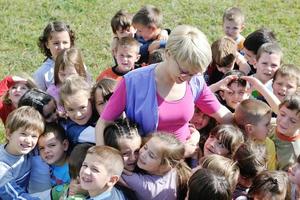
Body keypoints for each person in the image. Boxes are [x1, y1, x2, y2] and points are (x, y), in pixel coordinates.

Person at [96, 25, 233, 145]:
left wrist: (247, 121)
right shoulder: (133, 82)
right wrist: (103, 161)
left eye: (194, 73)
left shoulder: (195, 81)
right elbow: (103, 123)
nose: (188, 79)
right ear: (168, 54)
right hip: (145, 163)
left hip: (183, 160)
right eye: (185, 71)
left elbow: (222, 114)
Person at [121, 133, 191, 200]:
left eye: (151, 155)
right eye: (145, 147)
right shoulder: (176, 168)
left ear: (165, 166)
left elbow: (114, 170)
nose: (143, 154)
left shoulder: (146, 186)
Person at [0, 106, 45, 199]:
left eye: (34, 136)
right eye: (23, 134)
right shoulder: (2, 165)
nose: (28, 140)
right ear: (9, 134)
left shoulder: (30, 149)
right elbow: (14, 196)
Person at [234, 99, 276, 170]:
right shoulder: (234, 143)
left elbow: (270, 172)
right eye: (266, 124)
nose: (270, 127)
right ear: (250, 129)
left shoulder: (269, 145)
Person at [34, 21, 75, 91]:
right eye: (56, 43)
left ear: (71, 43)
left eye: (65, 42)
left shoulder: (77, 65)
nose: (61, 47)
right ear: (47, 44)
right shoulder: (42, 73)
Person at [47, 48, 88, 113]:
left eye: (71, 75)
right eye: (62, 74)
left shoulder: (86, 87)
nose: (67, 79)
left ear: (80, 72)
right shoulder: (52, 92)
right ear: (56, 72)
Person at [60, 75, 97, 145]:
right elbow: (105, 136)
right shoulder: (71, 128)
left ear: (91, 101)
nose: (78, 114)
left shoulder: (97, 112)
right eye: (70, 110)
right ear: (64, 108)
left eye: (82, 107)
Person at [270, 94, 300, 171]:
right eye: (282, 114)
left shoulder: (295, 153)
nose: (284, 121)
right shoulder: (268, 124)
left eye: (293, 121)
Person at [38, 123, 70, 187]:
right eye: (41, 148)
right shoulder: (46, 166)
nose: (46, 151)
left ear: (65, 145)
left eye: (52, 145)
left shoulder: (72, 170)